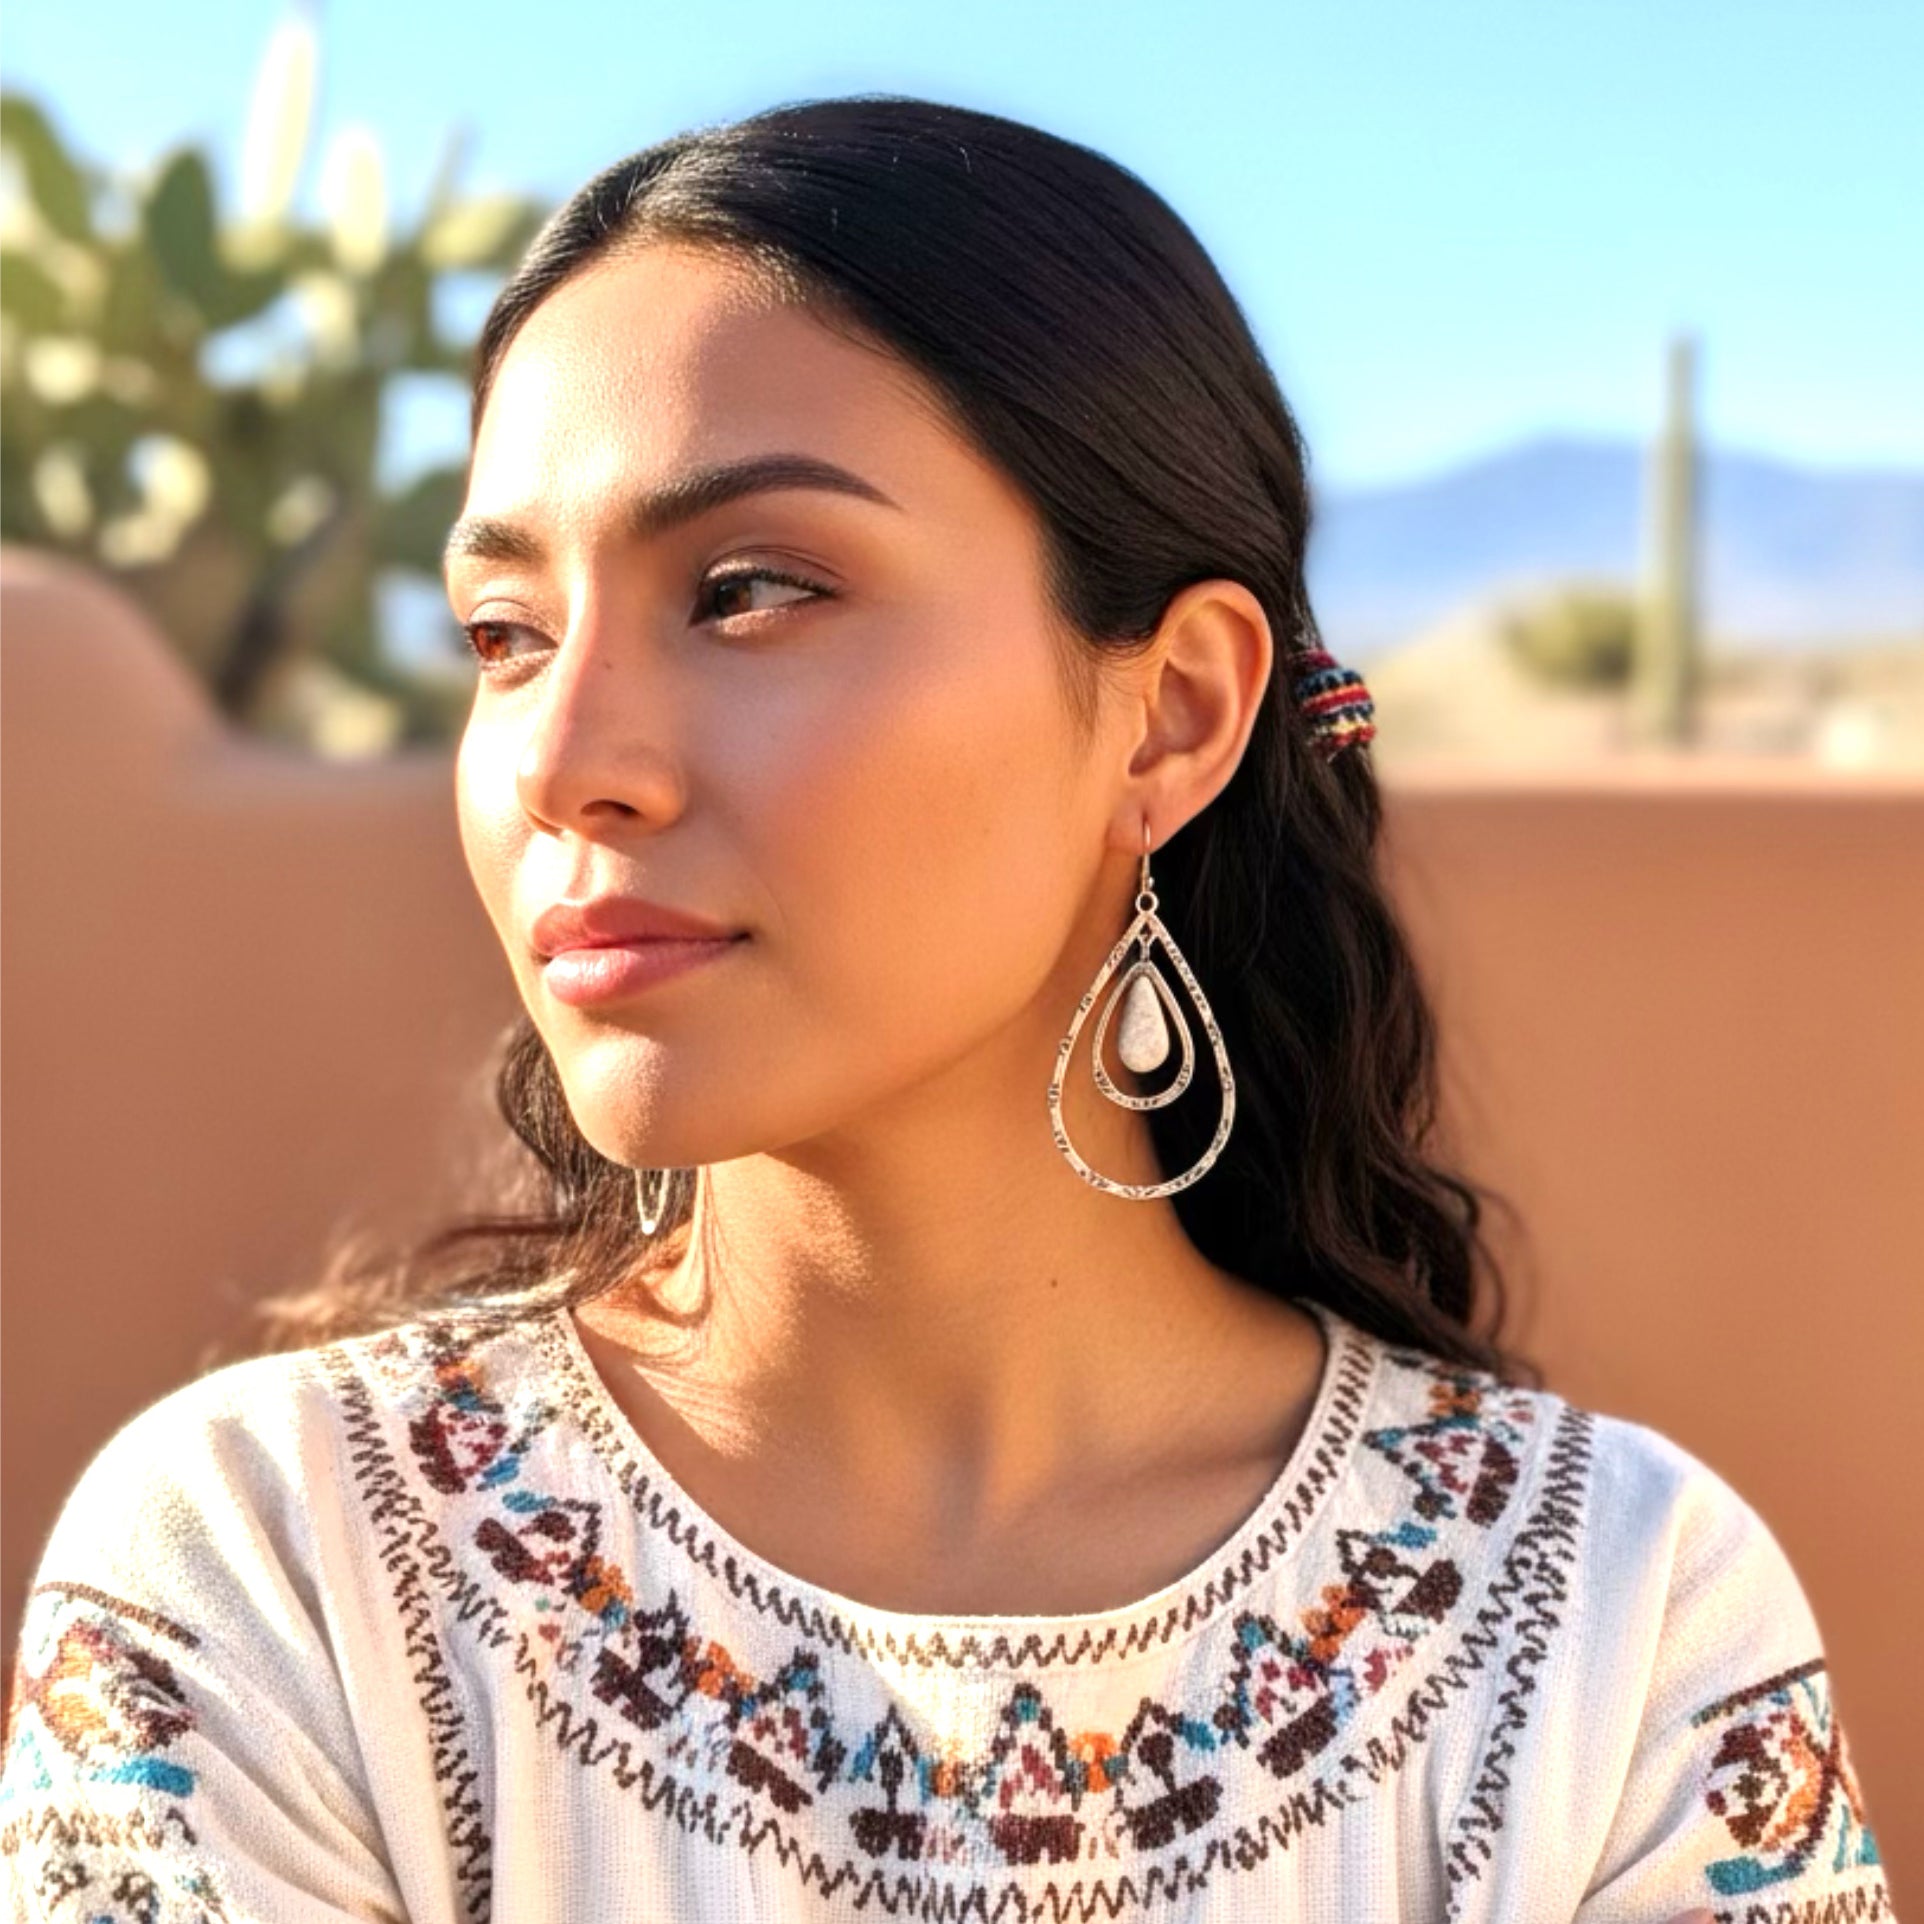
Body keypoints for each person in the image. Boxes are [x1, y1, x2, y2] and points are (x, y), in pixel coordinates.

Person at [0, 97, 1890, 1924]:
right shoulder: (271, 1575)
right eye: (507, 634)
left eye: (750, 590)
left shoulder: (1615, 1628)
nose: (565, 763)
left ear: (1172, 714)